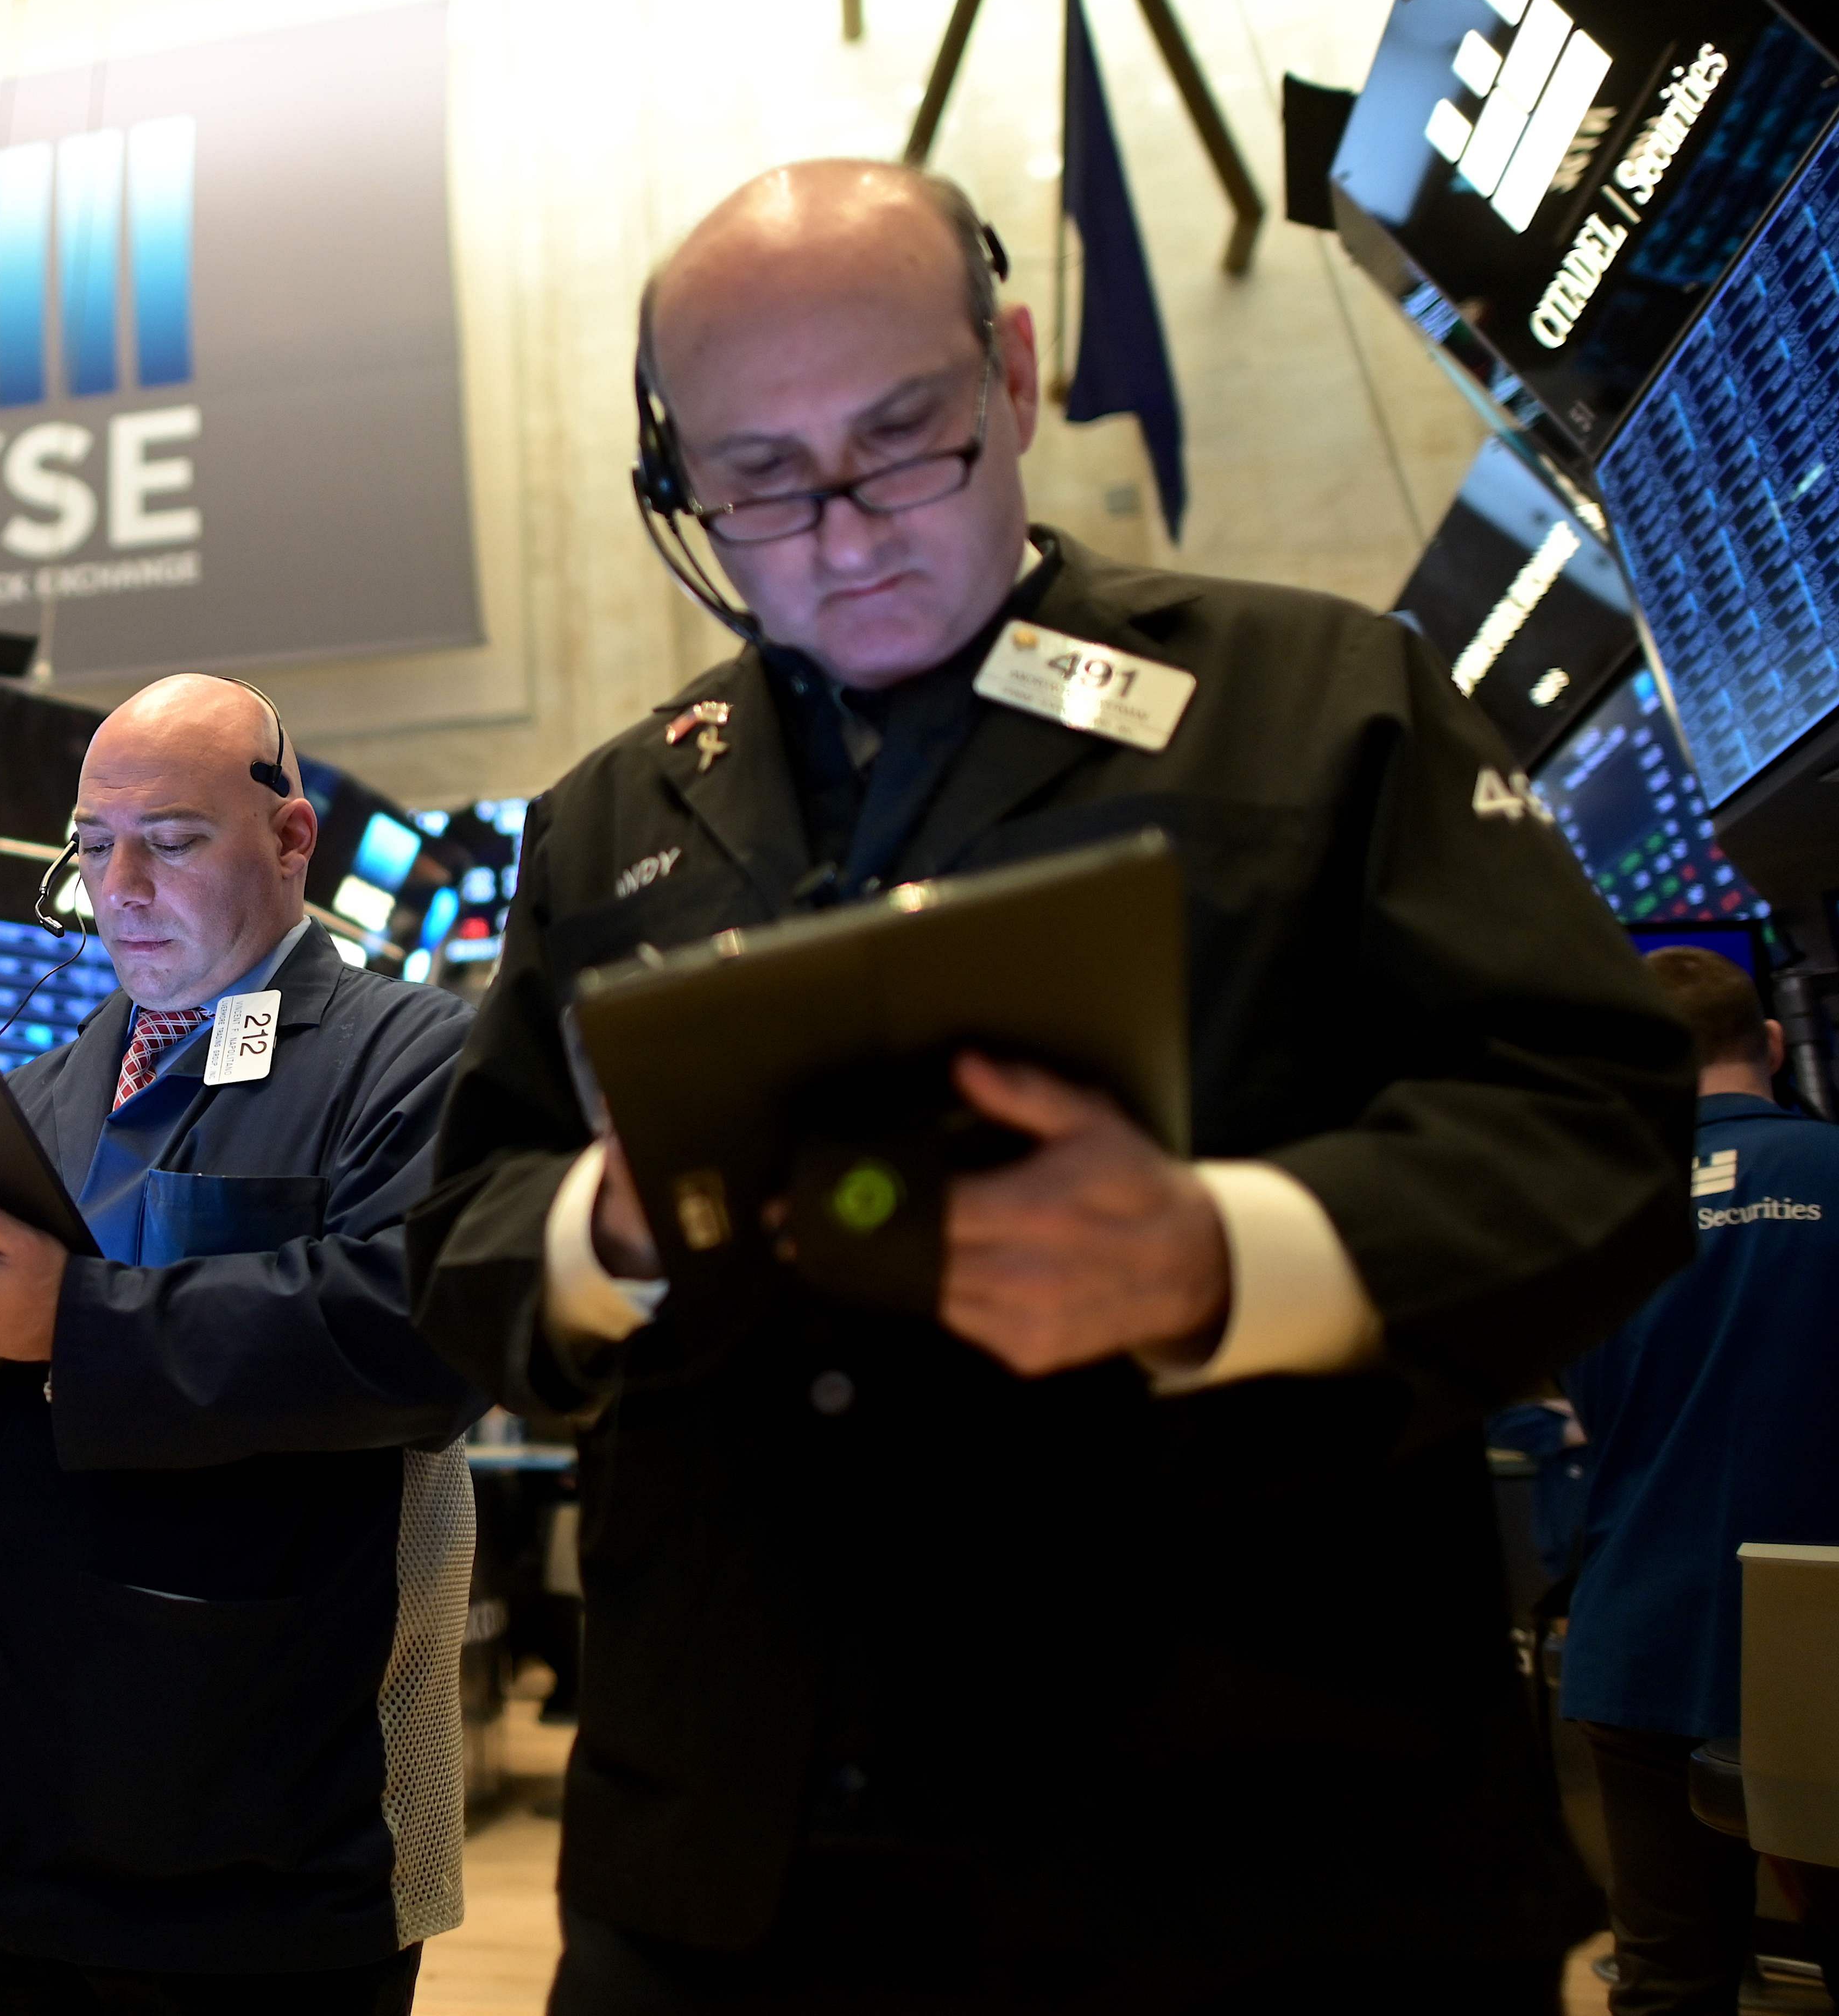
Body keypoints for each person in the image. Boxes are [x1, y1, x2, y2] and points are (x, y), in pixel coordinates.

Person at [407, 160, 1697, 2014]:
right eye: (755, 478)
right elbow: (454, 1232)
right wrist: (601, 1226)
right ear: (674, 476)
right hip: (722, 1868)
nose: (839, 531)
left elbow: (1591, 1120)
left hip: (1254, 1853)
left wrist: (1217, 1252)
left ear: (1007, 373)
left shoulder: (1317, 701)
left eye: (899, 438)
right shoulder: (609, 813)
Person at [0, 674, 488, 2015]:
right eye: (93, 840)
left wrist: (70, 1322)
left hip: (244, 1822)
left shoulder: (411, 1055)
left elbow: (417, 1338)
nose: (120, 882)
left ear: (290, 840)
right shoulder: (38, 1083)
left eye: (170, 840)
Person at [1564, 947, 1839, 2015]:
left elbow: (1591, 1417)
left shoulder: (1590, 1219)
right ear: (1770, 1043)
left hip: (1641, 1638)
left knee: (1670, 1984)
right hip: (1823, 1641)